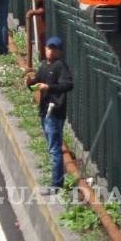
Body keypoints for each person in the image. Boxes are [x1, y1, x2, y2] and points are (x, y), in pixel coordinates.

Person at [26, 37, 74, 190]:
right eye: (48, 48)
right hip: (44, 110)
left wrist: (49, 87)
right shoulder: (44, 66)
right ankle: (56, 180)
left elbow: (68, 85)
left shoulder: (60, 66)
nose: (50, 51)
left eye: (54, 49)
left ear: (59, 51)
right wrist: (31, 83)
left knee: (54, 148)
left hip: (55, 111)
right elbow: (37, 82)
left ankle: (56, 183)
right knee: (52, 145)